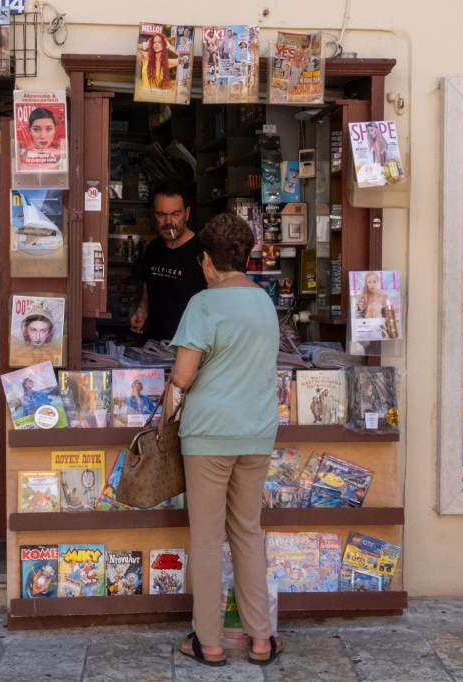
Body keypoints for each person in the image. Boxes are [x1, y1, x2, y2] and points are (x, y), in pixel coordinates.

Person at [168, 212, 283, 667]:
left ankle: (210, 642)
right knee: (248, 533)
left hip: (209, 435)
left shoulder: (204, 304)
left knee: (207, 538)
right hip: (256, 433)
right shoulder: (265, 303)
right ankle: (261, 639)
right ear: (246, 257)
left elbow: (183, 376)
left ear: (206, 260)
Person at [129, 179, 207, 342]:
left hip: (191, 348)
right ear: (154, 215)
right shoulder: (153, 249)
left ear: (187, 213)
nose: (168, 222)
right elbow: (147, 292)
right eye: (161, 215)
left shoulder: (203, 252)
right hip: (157, 347)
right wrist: (142, 310)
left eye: (175, 214)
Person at [19, 107, 65, 171]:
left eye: (49, 129)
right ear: (30, 131)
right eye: (36, 129)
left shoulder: (62, 152)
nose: (43, 136)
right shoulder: (23, 155)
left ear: (55, 130)